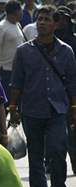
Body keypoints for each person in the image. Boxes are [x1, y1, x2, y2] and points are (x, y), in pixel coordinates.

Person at [9, 5, 76, 187]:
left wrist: (74, 107)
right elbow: (16, 82)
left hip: (58, 109)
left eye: (47, 19)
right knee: (35, 155)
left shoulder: (66, 51)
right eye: (40, 19)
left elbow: (73, 82)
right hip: (31, 109)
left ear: (55, 24)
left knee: (58, 149)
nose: (42, 23)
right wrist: (13, 108)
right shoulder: (23, 51)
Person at [55, 6, 76, 175]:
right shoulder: (47, 43)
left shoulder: (73, 41)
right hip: (53, 93)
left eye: (65, 19)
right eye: (58, 19)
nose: (62, 22)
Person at [0, 0, 25, 102]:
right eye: (20, 11)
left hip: (18, 69)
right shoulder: (1, 27)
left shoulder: (18, 25)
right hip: (5, 70)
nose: (22, 13)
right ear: (15, 12)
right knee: (6, 100)